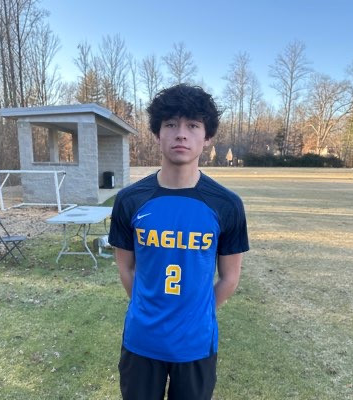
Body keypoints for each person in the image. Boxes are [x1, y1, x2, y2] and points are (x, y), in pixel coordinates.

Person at [108, 84, 249, 400]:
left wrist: (195, 314)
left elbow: (230, 278)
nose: (181, 134)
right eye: (171, 124)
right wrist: (150, 309)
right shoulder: (130, 199)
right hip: (142, 341)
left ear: (207, 137)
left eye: (193, 126)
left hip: (196, 344)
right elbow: (126, 269)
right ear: (157, 134)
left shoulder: (227, 204)